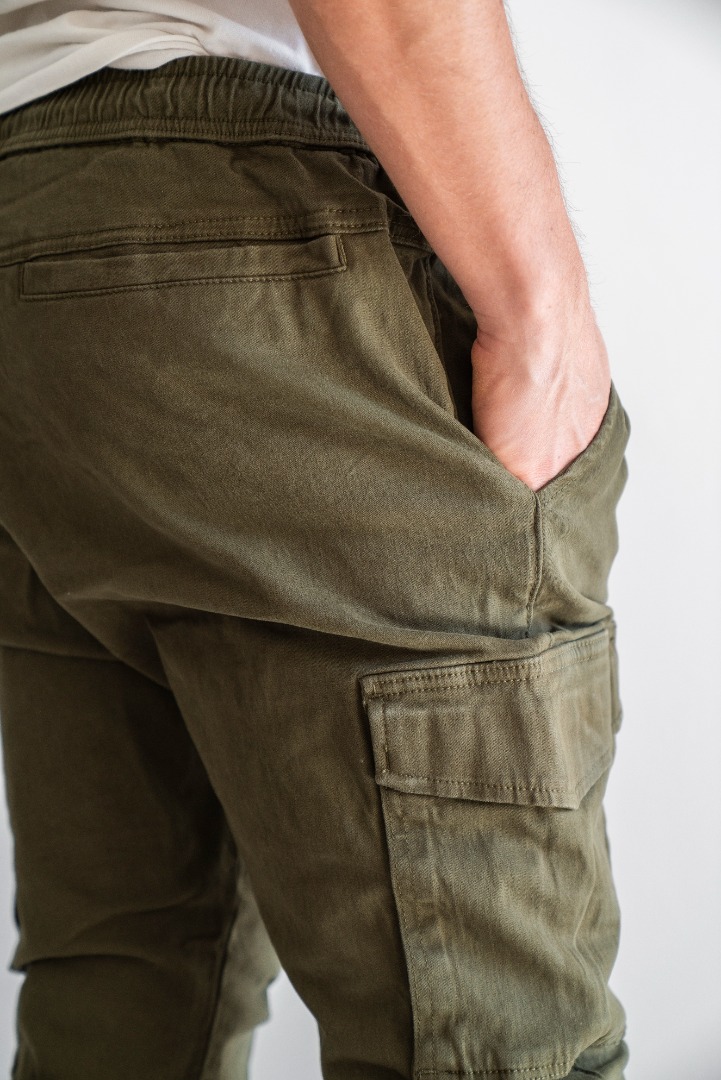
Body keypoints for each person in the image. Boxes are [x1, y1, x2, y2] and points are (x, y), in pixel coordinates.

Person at [0, 1, 631, 1077]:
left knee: (127, 992)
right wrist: (543, 313)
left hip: (32, 247)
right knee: (497, 1036)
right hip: (235, 223)